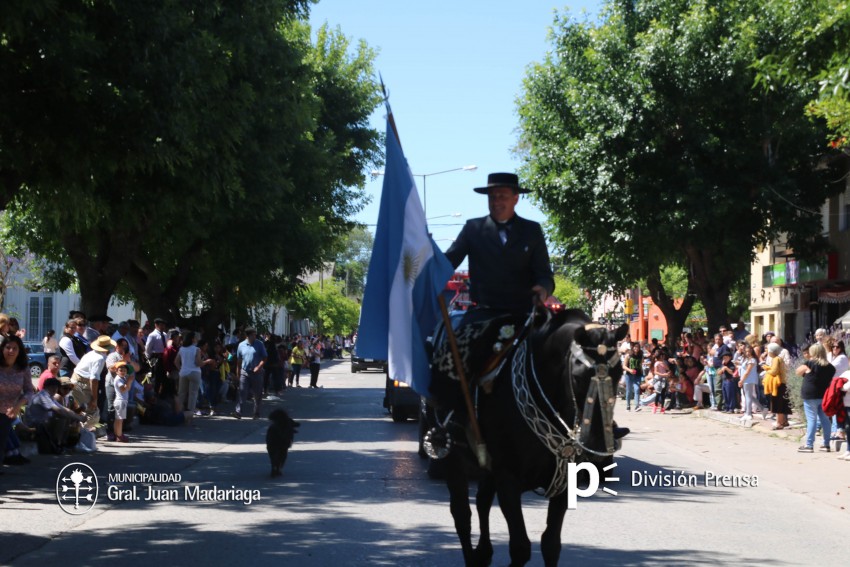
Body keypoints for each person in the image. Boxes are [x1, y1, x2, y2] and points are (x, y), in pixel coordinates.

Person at [445, 172, 554, 315]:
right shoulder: (473, 228)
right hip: (482, 313)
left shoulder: (532, 230)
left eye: (502, 196)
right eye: (492, 197)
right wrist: (423, 256)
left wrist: (543, 290)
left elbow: (545, 274)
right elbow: (447, 263)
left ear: (516, 198)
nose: (496, 202)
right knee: (455, 336)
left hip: (524, 314)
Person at [0, 334, 36, 471]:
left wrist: (18, 406)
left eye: (15, 348)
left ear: (19, 351)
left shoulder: (23, 368)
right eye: (8, 347)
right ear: (2, 349)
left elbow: (29, 391)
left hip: (8, 411)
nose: (11, 351)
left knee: (1, 442)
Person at [24, 377, 86, 453]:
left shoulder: (49, 396)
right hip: (35, 425)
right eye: (53, 387)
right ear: (49, 387)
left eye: (56, 387)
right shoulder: (43, 396)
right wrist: (78, 417)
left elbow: (64, 409)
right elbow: (58, 410)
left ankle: (63, 444)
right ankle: (57, 445)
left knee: (66, 416)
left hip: (42, 423)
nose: (55, 389)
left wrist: (78, 417)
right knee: (61, 418)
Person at [71, 335, 116, 430]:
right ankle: (81, 434)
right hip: (81, 383)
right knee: (93, 413)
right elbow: (94, 379)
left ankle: (79, 432)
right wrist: (94, 399)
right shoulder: (99, 358)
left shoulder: (91, 354)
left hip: (77, 381)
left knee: (81, 411)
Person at [796, 342, 834, 452]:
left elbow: (798, 371)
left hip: (810, 395)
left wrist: (806, 373)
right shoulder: (830, 367)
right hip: (823, 395)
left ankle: (809, 445)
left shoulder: (810, 363)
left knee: (811, 419)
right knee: (825, 420)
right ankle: (826, 444)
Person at [233, 328, 267, 420]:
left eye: (255, 334)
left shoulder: (259, 344)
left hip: (257, 372)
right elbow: (239, 361)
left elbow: (264, 358)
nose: (255, 336)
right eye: (253, 334)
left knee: (257, 394)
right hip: (245, 372)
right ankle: (238, 412)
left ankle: (256, 413)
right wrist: (237, 374)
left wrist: (258, 367)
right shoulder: (241, 345)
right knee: (242, 391)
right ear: (248, 336)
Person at [762, 342, 791, 430]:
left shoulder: (775, 359)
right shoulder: (779, 358)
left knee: (778, 404)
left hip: (778, 384)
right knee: (782, 403)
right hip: (783, 383)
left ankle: (779, 423)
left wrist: (766, 369)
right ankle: (783, 421)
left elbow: (774, 371)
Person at [112, 361, 134, 442]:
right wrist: (129, 381)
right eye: (121, 370)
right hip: (120, 401)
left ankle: (118, 434)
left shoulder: (123, 378)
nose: (123, 372)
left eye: (124, 371)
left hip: (123, 401)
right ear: (117, 371)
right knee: (119, 420)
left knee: (119, 419)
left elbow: (127, 388)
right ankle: (119, 435)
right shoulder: (118, 379)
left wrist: (129, 381)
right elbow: (123, 389)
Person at [622, 342, 643, 411]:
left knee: (637, 389)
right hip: (629, 375)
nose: (636, 348)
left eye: (637, 347)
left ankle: (637, 406)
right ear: (632, 347)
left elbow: (641, 364)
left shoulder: (640, 355)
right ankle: (628, 405)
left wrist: (642, 374)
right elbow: (624, 366)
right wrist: (630, 370)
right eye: (635, 347)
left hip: (638, 375)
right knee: (629, 391)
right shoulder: (628, 355)